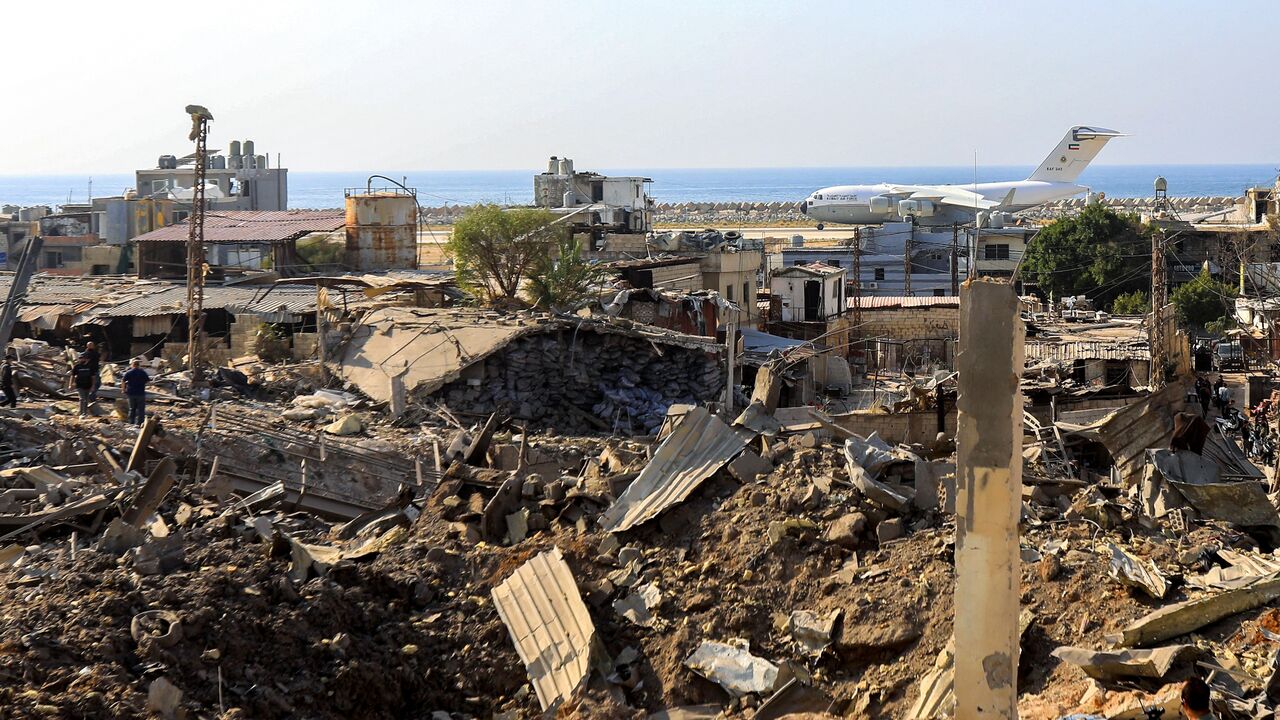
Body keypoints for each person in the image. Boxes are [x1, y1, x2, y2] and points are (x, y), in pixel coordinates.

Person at [121, 358, 149, 426]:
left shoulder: (129, 372)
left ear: (132, 365)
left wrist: (123, 389)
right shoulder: (142, 372)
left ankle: (131, 422)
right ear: (138, 365)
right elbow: (147, 380)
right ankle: (140, 423)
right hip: (140, 393)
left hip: (131, 393)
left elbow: (123, 381)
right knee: (141, 410)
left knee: (132, 408)